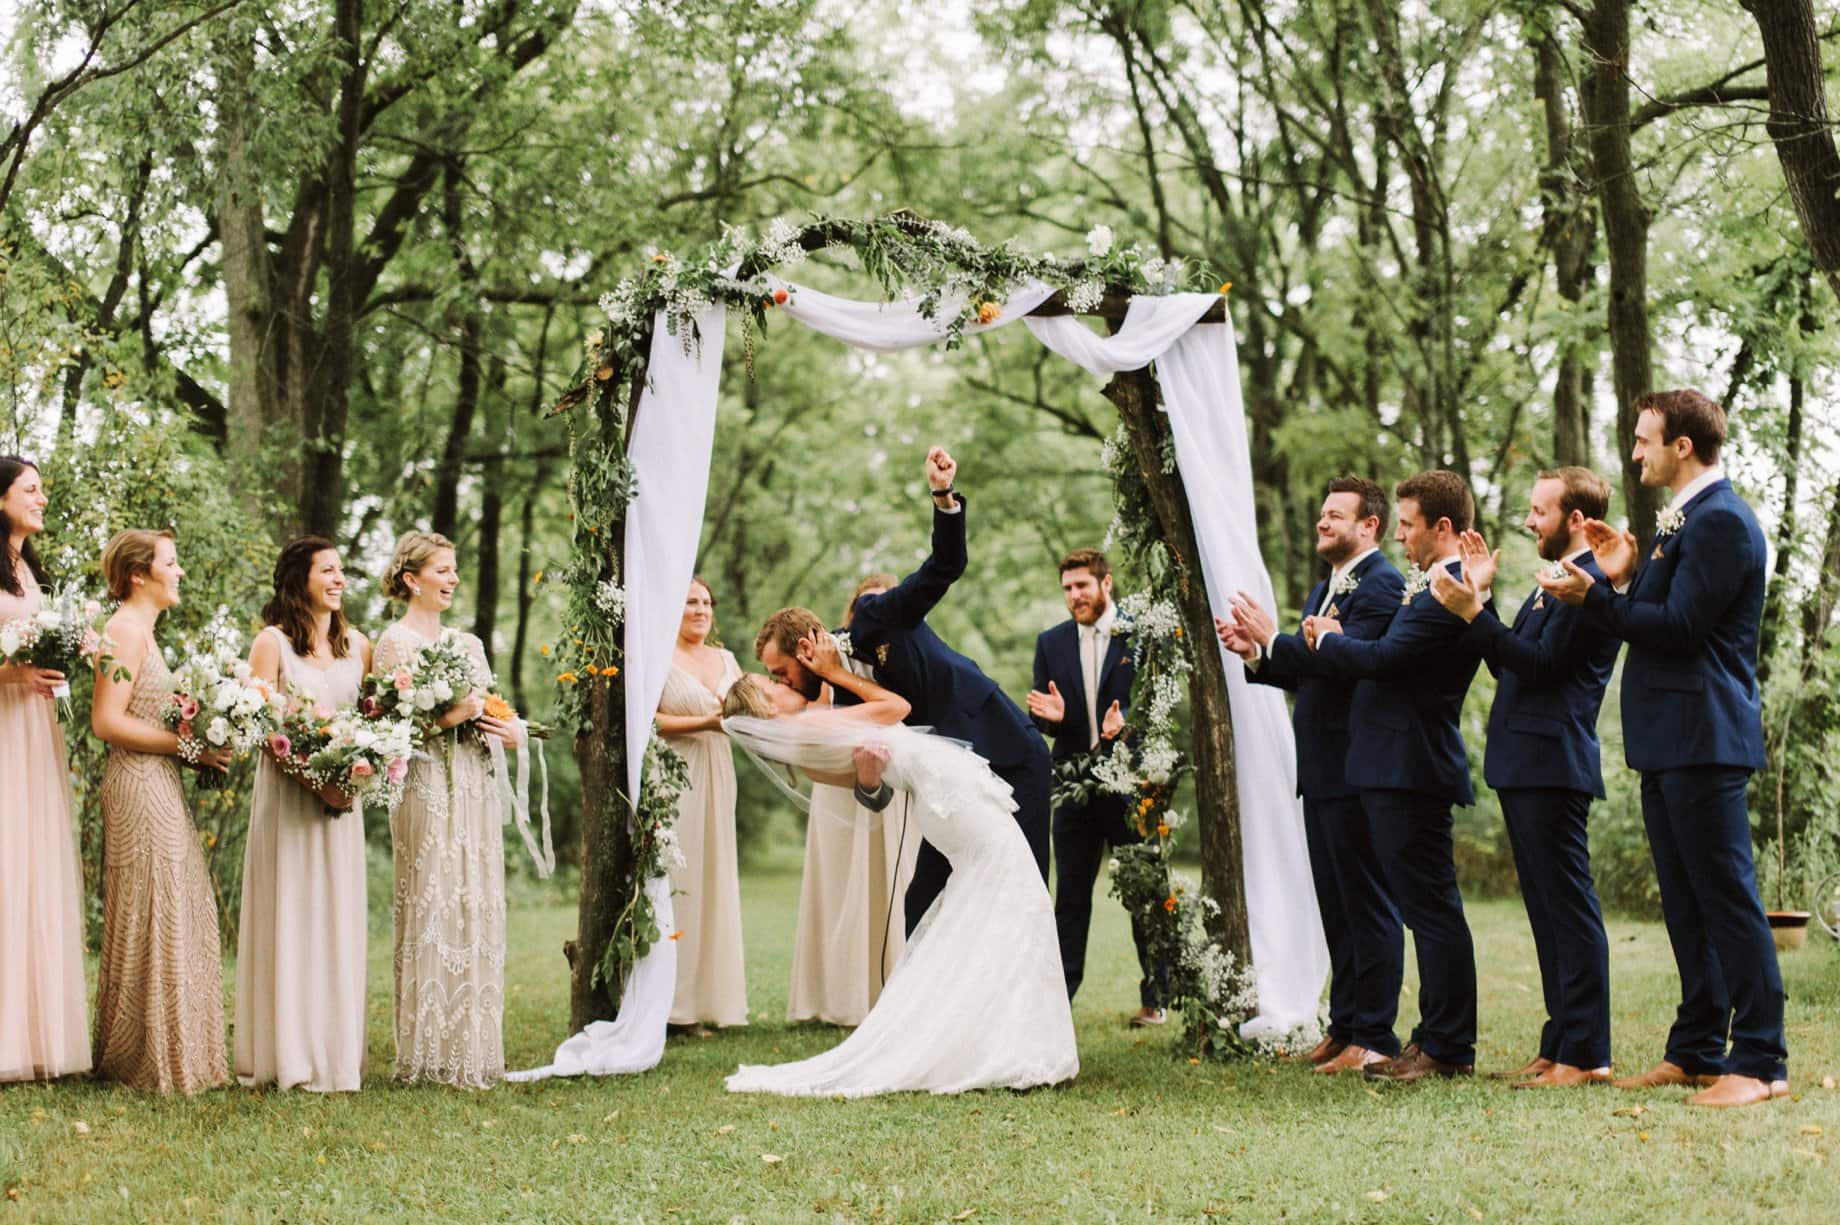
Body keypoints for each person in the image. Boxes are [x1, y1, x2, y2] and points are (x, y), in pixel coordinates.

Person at [1537, 389, 1787, 1108]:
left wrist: (1596, 598)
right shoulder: (1684, 523)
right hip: (1669, 739)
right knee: (1686, 901)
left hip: (1705, 736)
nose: (1636, 451)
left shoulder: (1723, 523)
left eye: (1645, 440)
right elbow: (1653, 613)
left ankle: (1762, 1058)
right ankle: (1699, 1048)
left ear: (1682, 445)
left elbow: (1678, 628)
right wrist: (1620, 577)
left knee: (1728, 898)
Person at [722, 630, 1076, 1096]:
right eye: (771, 686)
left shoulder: (809, 734)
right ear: (767, 711)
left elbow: (865, 774)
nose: (782, 684)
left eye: (776, 677)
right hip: (947, 797)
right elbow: (896, 709)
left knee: (988, 902)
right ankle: (1009, 1044)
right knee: (1014, 895)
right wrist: (835, 673)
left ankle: (991, 1035)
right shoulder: (810, 725)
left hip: (943, 796)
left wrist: (867, 774)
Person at [1239, 470, 1489, 1082]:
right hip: (1391, 766)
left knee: (1428, 914)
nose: (1402, 537)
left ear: (1444, 528)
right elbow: (1387, 656)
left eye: (1408, 525)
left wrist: (1323, 641)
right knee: (1420, 912)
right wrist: (1285, 647)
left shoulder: (1448, 587)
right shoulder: (1430, 586)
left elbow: (1385, 658)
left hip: (1414, 766)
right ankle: (1428, 1039)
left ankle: (1445, 1045)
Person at [754, 446, 1051, 936]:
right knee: (922, 904)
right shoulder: (844, 702)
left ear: (807, 647)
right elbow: (875, 792)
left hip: (1007, 750)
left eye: (781, 671)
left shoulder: (876, 615)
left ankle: (1042, 1004)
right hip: (951, 784)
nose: (782, 683)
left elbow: (945, 566)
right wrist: (869, 781)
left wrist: (942, 494)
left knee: (1025, 887)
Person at [1428, 469, 1620, 1088]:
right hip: (1524, 762)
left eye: (1540, 512)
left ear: (1576, 520)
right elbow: (1507, 661)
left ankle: (1588, 1053)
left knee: (1569, 909)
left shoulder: (1588, 585)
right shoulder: (1550, 585)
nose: (1528, 521)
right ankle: (1559, 1040)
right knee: (1543, 909)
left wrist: (1475, 612)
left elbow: (1540, 666)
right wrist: (1478, 606)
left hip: (1555, 762)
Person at [1218, 477, 1405, 1075]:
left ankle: (1375, 1034)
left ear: (1369, 525)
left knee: (1368, 903)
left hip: (1359, 766)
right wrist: (1257, 652)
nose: (1322, 523)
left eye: (1335, 515)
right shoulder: (1326, 589)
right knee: (1337, 904)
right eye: (1322, 514)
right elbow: (1310, 672)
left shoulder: (1382, 586)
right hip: (1322, 769)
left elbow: (1356, 668)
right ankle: (1345, 1025)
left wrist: (1273, 635)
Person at [374, 531, 523, 1088]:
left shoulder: (469, 645)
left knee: (473, 900)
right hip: (426, 780)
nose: (453, 579)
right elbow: (391, 729)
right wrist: (452, 714)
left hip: (475, 782)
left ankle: (473, 1045)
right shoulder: (394, 643)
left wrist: (506, 731)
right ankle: (427, 1049)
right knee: (433, 896)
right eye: (442, 570)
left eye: (456, 569)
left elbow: (489, 711)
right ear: (412, 579)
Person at [89, 530, 232, 1093]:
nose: (180, 572)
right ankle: (143, 1060)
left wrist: (197, 742)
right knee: (155, 907)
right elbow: (106, 722)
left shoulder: (145, 633)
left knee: (174, 901)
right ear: (138, 575)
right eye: (171, 563)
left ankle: (172, 1052)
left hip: (160, 779)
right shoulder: (122, 631)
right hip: (136, 783)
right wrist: (187, 747)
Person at [235, 536, 373, 1092]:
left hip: (345, 804)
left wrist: (355, 778)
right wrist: (316, 780)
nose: (339, 579)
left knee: (336, 918)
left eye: (342, 571)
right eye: (328, 570)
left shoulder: (357, 645)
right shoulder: (271, 644)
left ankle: (334, 1056)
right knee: (289, 913)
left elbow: (374, 723)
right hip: (289, 799)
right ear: (300, 579)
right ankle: (286, 1055)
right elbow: (261, 725)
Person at [1026, 547, 1167, 1026]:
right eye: (1067, 588)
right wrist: (1054, 719)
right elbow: (1040, 710)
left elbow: (1158, 709)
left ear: (1106, 584)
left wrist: (1126, 726)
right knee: (1070, 896)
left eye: (1082, 586)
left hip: (1131, 784)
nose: (1074, 596)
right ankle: (1059, 1000)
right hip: (1071, 787)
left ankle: (1158, 996)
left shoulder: (1140, 636)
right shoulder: (1051, 642)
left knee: (1145, 890)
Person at [787, 575, 919, 1027]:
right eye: (865, 605)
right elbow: (817, 714)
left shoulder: (907, 655)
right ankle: (838, 998)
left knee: (894, 884)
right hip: (839, 787)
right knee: (842, 889)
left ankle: (896, 992)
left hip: (894, 783)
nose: (874, 613)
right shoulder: (832, 658)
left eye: (883, 604)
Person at [0, 456, 91, 1083]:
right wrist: (12, 674)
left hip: (36, 728)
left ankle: (36, 1033)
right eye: (30, 489)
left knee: (34, 863)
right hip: (3, 724)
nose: (42, 498)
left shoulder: (32, 570)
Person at [656, 576, 747, 1034]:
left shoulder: (726, 659)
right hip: (675, 774)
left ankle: (709, 997)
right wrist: (706, 721)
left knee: (713, 876)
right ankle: (672, 1005)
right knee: (680, 879)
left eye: (706, 601)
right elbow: (649, 719)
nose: (700, 609)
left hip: (719, 770)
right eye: (690, 601)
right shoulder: (657, 655)